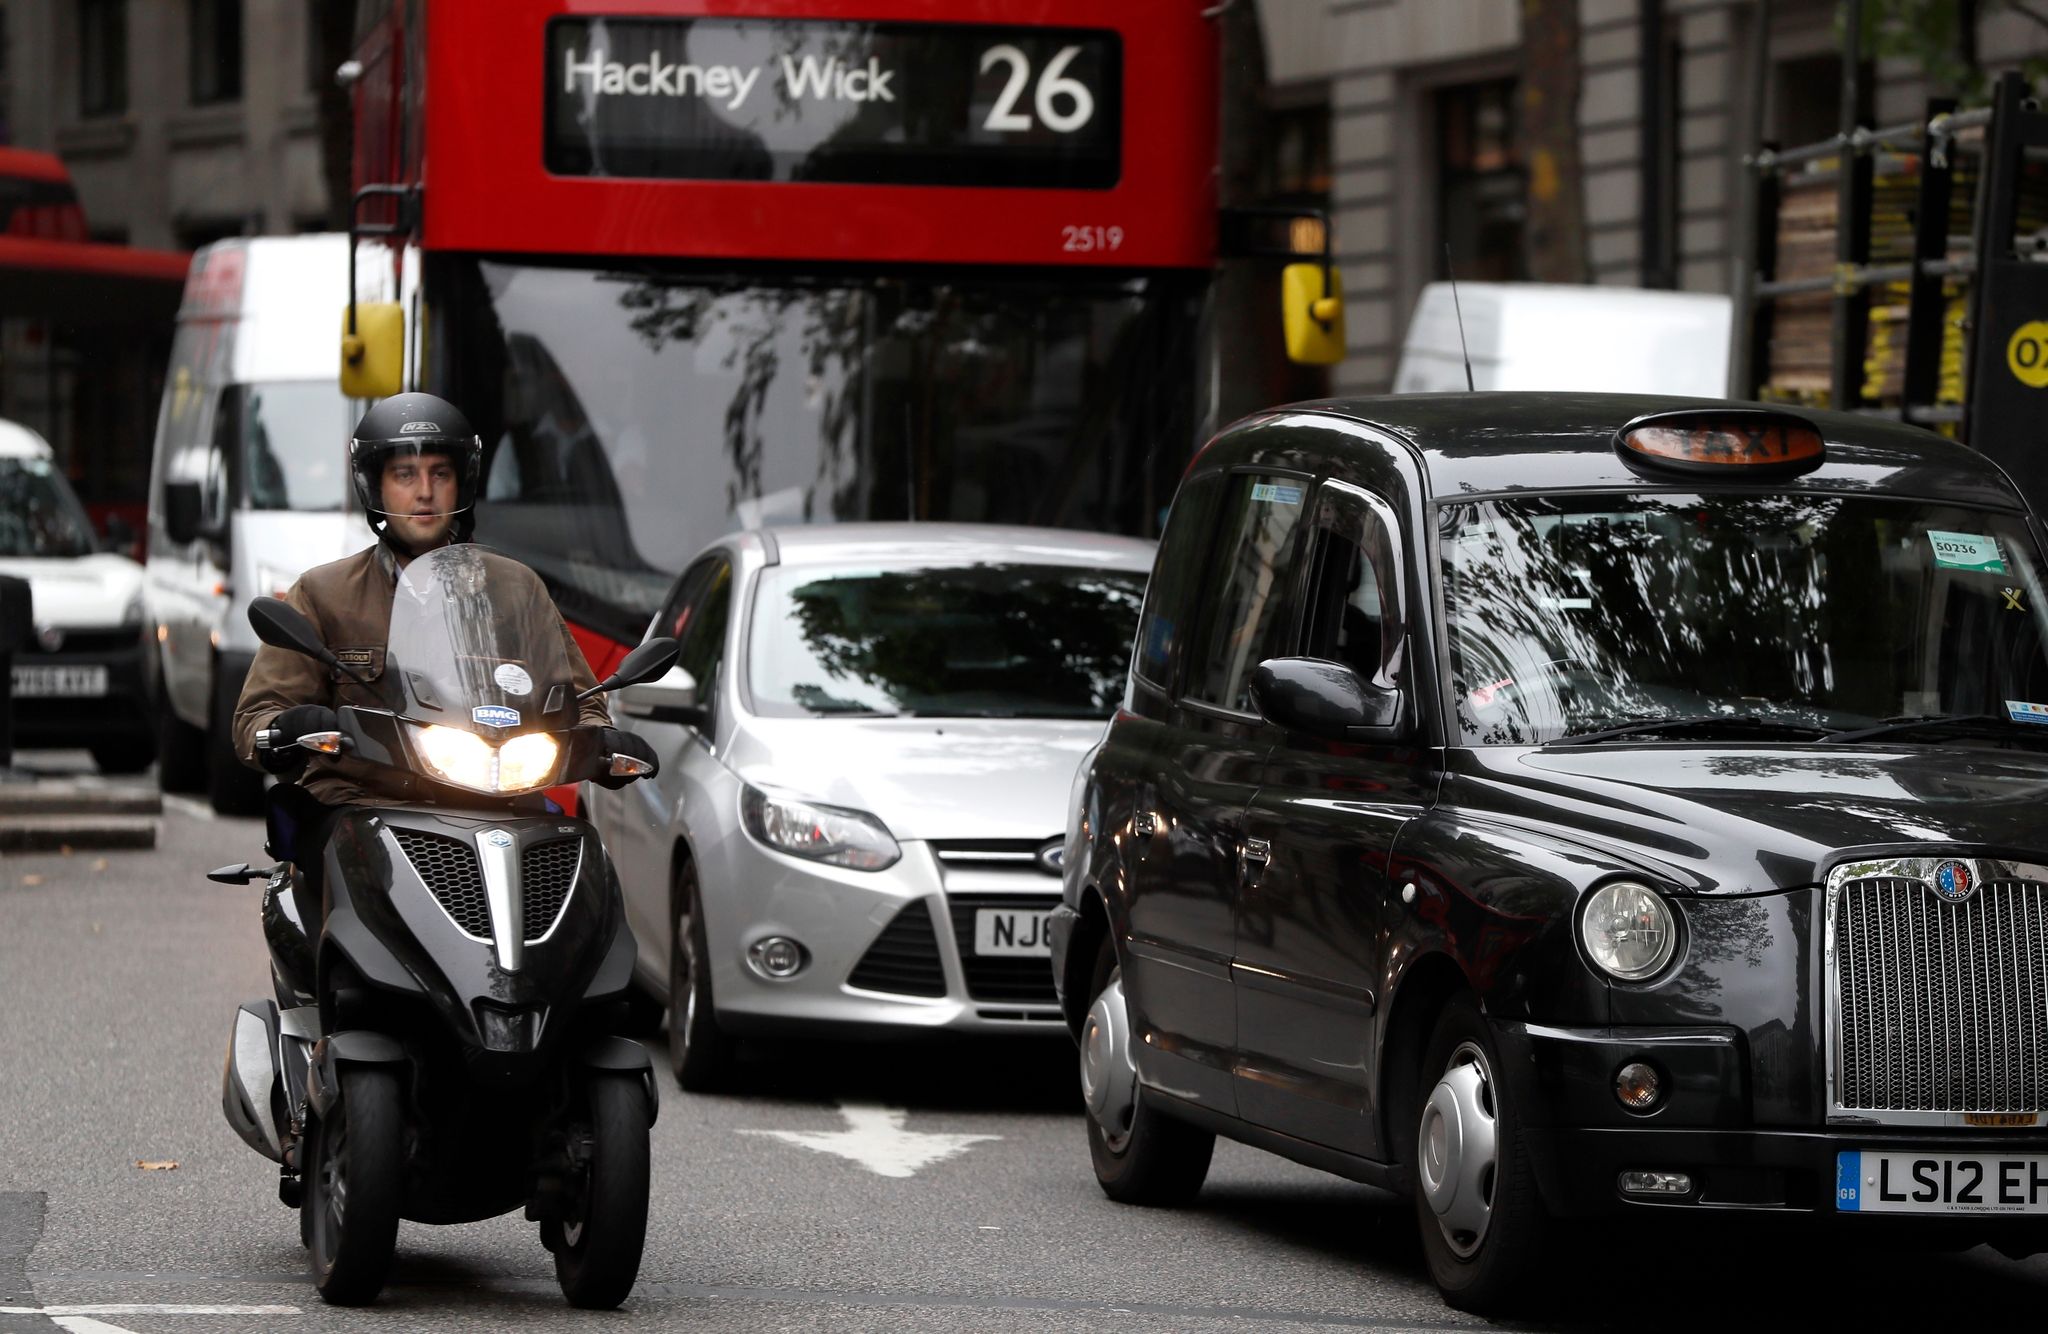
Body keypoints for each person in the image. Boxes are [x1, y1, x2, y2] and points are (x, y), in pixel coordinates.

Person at [231, 392, 656, 880]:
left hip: (499, 801)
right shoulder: (323, 594)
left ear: (462, 483)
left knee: (587, 889)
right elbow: (256, 716)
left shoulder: (515, 590)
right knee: (339, 886)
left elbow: (584, 702)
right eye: (405, 475)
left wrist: (603, 742)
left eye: (440, 473)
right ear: (377, 487)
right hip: (364, 807)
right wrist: (287, 727)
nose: (425, 492)